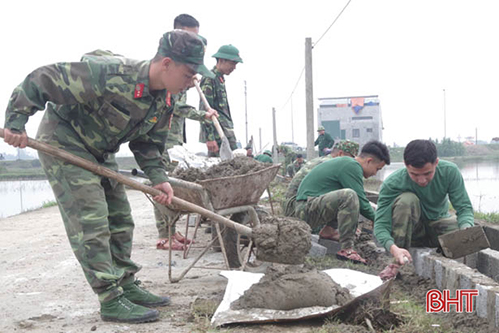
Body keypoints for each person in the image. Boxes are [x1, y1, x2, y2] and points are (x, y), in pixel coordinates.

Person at [2, 30, 213, 324]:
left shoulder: (165, 100)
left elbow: (149, 144)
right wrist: (15, 121)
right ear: (166, 63)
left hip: (101, 150)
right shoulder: (110, 74)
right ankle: (110, 298)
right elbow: (43, 80)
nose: (192, 82)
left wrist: (157, 177)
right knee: (91, 218)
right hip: (64, 142)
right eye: (189, 74)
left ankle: (125, 284)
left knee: (120, 218)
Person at [154, 14, 218, 251]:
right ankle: (164, 234)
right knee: (161, 181)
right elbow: (173, 105)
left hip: (174, 135)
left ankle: (171, 229)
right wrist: (203, 114)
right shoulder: (169, 64)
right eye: (191, 35)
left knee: (172, 183)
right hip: (161, 134)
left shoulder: (187, 67)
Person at [374, 140, 474, 279]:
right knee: (407, 200)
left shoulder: (449, 172)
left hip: (437, 227)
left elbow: (464, 208)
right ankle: (396, 263)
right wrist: (393, 248)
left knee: (468, 231)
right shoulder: (392, 184)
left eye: (427, 173)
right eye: (414, 174)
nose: (422, 180)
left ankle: (447, 265)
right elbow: (380, 225)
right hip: (411, 233)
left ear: (436, 163)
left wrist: (466, 227)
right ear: (405, 165)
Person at [294, 141, 390, 264]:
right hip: (305, 210)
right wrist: (378, 220)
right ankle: (347, 249)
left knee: (345, 195)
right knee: (349, 195)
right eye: (377, 169)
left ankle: (329, 231)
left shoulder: (348, 164)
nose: (375, 174)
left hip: (309, 206)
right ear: (369, 161)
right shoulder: (352, 165)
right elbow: (361, 201)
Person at [283, 140, 359, 216]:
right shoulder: (332, 165)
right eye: (351, 158)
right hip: (296, 208)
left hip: (291, 204)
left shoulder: (323, 160)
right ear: (341, 154)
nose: (352, 162)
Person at [199, 44, 243, 157]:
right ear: (222, 60)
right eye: (232, 63)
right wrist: (210, 138)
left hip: (226, 131)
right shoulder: (210, 78)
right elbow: (205, 109)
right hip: (218, 135)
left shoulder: (220, 79)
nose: (234, 67)